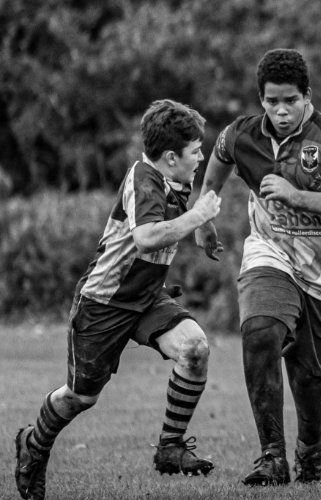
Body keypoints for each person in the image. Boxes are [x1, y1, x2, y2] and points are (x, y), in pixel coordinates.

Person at [15, 100, 220, 500]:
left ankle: (170, 447)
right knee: (81, 397)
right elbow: (146, 237)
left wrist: (203, 227)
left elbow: (182, 212)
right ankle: (33, 446)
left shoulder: (177, 173)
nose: (202, 158)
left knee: (194, 348)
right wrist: (198, 218)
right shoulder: (144, 178)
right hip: (103, 302)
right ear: (170, 156)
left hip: (145, 298)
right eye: (196, 151)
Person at [197, 48, 321, 486]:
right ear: (261, 98)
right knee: (259, 331)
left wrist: (298, 196)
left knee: (308, 376)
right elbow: (217, 164)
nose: (281, 110)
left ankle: (311, 453)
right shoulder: (241, 135)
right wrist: (205, 219)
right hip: (270, 253)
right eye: (272, 101)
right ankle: (272, 457)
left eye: (290, 101)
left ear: (307, 96)